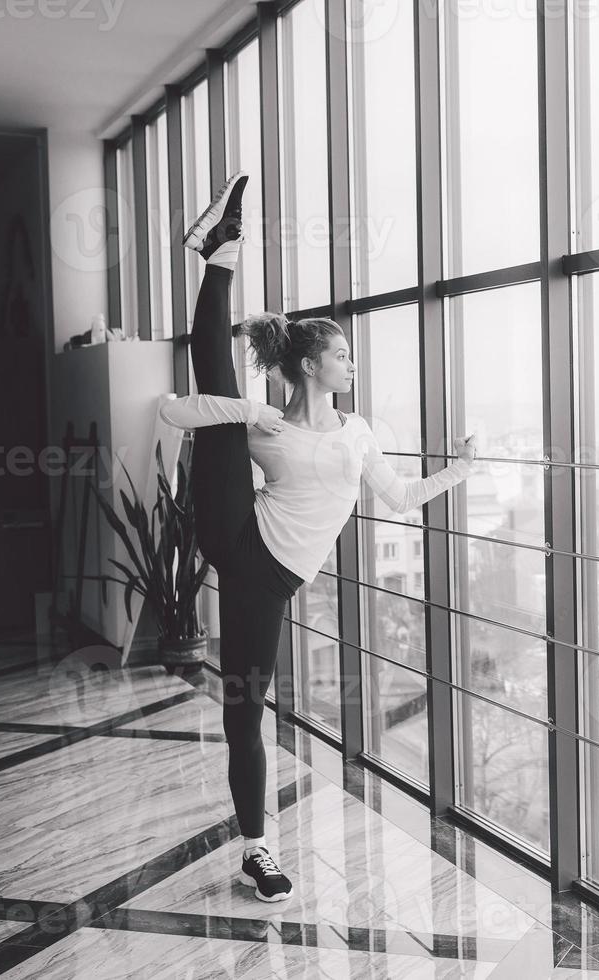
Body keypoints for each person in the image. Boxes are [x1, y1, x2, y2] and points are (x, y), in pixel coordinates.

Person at [157, 173, 476, 902]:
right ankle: (259, 850)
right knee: (248, 707)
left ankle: (217, 253)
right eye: (342, 356)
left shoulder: (359, 433)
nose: (352, 364)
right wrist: (250, 414)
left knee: (246, 699)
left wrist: (458, 469)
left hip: (272, 577)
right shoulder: (266, 422)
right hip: (240, 539)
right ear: (309, 365)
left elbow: (398, 497)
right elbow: (175, 413)